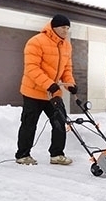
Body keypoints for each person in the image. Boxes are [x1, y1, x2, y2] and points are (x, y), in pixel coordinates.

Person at [15, 14, 78, 165]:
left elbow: (66, 69)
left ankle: (57, 154)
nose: (66, 31)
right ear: (54, 27)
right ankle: (22, 155)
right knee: (29, 123)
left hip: (53, 92)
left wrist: (70, 84)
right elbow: (32, 68)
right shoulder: (36, 42)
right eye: (63, 27)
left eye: (68, 28)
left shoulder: (66, 46)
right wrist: (48, 83)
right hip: (33, 91)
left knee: (60, 122)